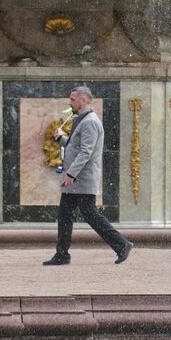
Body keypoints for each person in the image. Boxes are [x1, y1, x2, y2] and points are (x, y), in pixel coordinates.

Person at [43, 85, 133, 266]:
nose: (70, 102)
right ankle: (62, 255)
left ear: (84, 100)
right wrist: (61, 138)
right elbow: (75, 147)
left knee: (90, 215)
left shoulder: (90, 122)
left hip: (81, 180)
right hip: (76, 181)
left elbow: (86, 152)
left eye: (73, 99)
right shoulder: (82, 120)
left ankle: (122, 244)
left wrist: (71, 174)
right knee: (65, 215)